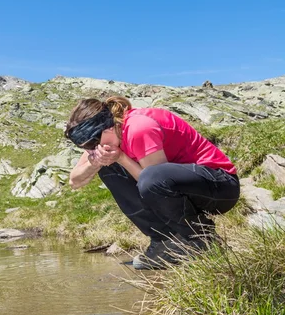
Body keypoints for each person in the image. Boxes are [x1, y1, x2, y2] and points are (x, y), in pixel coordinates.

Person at [65, 96, 240, 270]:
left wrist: (121, 157)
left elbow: (154, 183)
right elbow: (75, 181)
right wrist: (95, 162)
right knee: (105, 166)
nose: (91, 150)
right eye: (85, 147)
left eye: (92, 144)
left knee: (150, 178)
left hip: (220, 186)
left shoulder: (139, 128)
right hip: (177, 188)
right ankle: (165, 240)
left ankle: (199, 238)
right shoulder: (105, 139)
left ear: (108, 128)